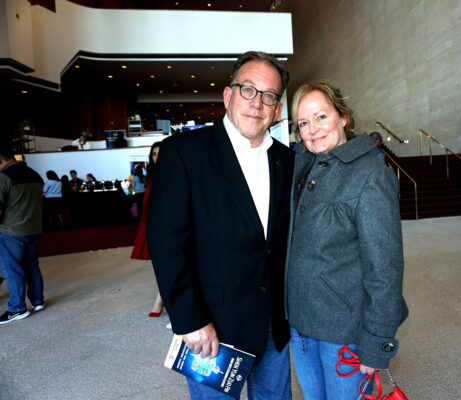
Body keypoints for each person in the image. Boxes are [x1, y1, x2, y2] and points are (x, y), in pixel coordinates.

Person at [147, 51, 294, 400]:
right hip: (212, 331)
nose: (257, 103)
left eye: (269, 95)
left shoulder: (288, 160)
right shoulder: (183, 152)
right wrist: (189, 320)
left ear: (276, 109)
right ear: (228, 96)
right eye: (248, 90)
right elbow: (167, 244)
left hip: (275, 327)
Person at [286, 80, 408, 399]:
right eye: (303, 122)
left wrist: (376, 343)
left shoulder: (369, 174)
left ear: (343, 117)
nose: (312, 129)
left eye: (321, 117)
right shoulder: (301, 170)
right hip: (300, 327)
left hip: (343, 333)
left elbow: (385, 269)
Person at [0, 146, 46, 324]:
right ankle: (37, 300)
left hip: (11, 231)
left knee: (12, 269)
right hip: (34, 229)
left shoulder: (4, 176)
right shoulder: (34, 174)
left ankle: (17, 308)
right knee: (31, 265)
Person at [130, 142, 165, 318]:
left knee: (170, 264)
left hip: (172, 225)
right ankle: (162, 298)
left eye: (160, 153)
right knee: (160, 264)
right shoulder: (151, 176)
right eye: (153, 154)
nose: (156, 157)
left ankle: (160, 299)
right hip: (155, 225)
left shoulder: (174, 173)